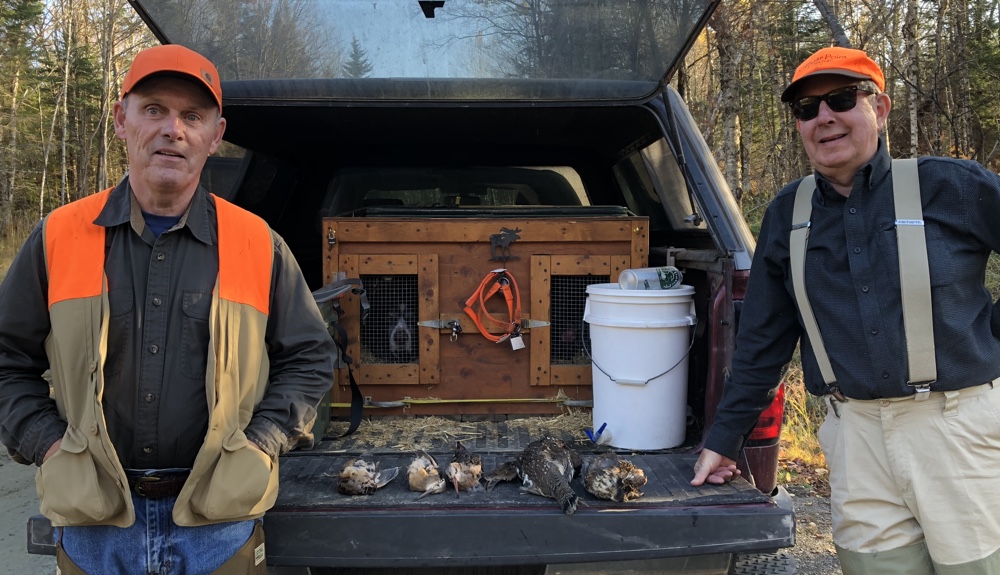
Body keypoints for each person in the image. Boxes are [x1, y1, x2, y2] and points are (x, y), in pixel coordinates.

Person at [0, 44, 336, 574]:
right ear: (121, 119)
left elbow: (311, 357)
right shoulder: (58, 236)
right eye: (154, 108)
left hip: (219, 526)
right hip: (94, 526)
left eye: (192, 116)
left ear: (215, 136)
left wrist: (261, 442)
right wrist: (47, 445)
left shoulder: (256, 242)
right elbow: (5, 358)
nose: (172, 129)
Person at [691, 46, 1000, 574]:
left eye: (839, 99)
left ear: (879, 108)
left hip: (956, 430)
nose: (824, 118)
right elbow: (763, 340)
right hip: (852, 436)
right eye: (807, 110)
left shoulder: (951, 185)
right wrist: (724, 440)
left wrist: (989, 337)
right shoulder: (787, 214)